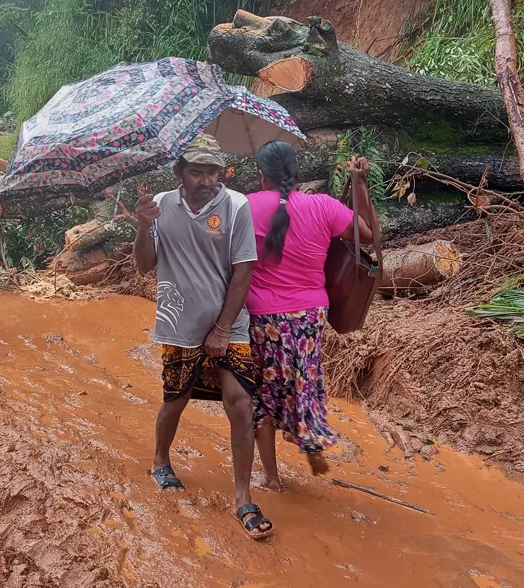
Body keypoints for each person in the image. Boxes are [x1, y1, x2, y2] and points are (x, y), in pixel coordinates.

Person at [133, 134, 274, 540]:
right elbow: (145, 265)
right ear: (179, 173)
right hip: (178, 323)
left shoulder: (236, 205)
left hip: (229, 323)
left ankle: (243, 497)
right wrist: (144, 228)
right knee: (175, 399)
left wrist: (224, 328)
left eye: (213, 171)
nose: (206, 179)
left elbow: (244, 270)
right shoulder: (160, 206)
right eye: (197, 171)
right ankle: (161, 460)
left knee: (241, 404)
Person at [245, 142, 374, 490]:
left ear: (261, 175)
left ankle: (271, 477)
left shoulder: (245, 206)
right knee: (304, 379)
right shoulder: (324, 207)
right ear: (295, 172)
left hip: (263, 317)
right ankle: (311, 438)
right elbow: (369, 236)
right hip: (310, 315)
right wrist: (359, 186)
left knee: (264, 392)